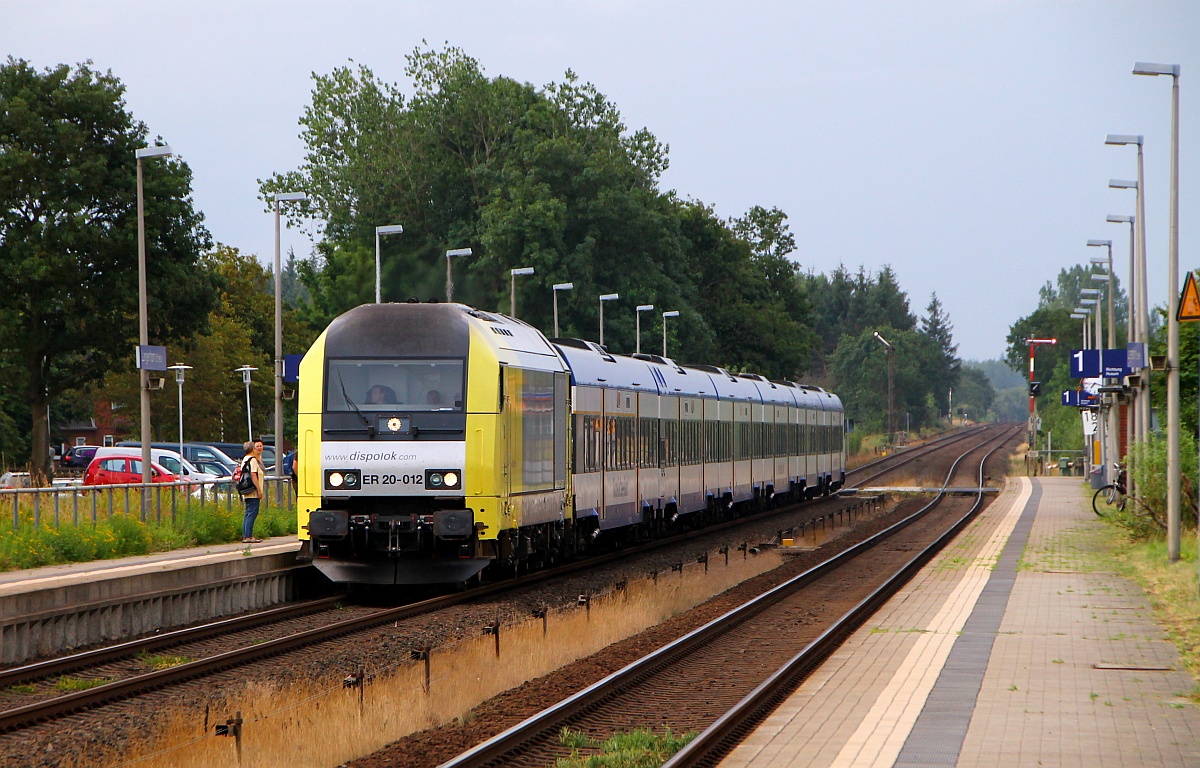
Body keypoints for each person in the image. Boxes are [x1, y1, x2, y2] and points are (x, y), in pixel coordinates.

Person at [241, 439, 265, 543]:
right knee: (252, 513)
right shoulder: (252, 460)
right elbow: (253, 475)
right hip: (253, 491)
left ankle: (246, 535)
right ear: (252, 449)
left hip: (246, 490)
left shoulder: (245, 459)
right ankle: (248, 536)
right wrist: (259, 490)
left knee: (248, 513)